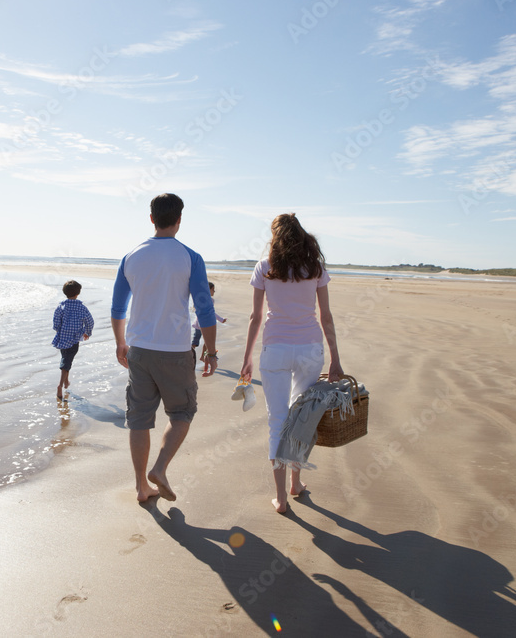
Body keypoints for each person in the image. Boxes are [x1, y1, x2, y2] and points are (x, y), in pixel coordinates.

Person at [111, 193, 218, 503]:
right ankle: (159, 468)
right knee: (183, 411)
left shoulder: (132, 255)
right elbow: (204, 309)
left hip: (139, 350)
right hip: (174, 351)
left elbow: (118, 307)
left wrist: (121, 342)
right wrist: (211, 351)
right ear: (179, 219)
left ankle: (141, 487)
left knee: (139, 419)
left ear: (151, 218)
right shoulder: (190, 257)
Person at [240, 213, 343, 514]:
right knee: (302, 417)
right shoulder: (314, 268)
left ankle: (281, 498)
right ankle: (296, 483)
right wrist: (336, 358)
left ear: (275, 237)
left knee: (277, 421)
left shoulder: (265, 268)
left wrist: (246, 358)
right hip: (310, 349)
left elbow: (256, 317)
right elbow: (326, 316)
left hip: (275, 350)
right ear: (301, 236)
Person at [52, 280, 94, 401]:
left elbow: (56, 321)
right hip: (74, 339)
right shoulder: (81, 307)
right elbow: (90, 321)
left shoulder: (61, 306)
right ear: (78, 293)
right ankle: (60, 385)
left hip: (63, 338)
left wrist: (58, 330)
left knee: (65, 358)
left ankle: (66, 382)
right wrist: (87, 332)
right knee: (67, 361)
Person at [191, 281, 227, 362]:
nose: (214, 291)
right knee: (195, 342)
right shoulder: (202, 299)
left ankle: (203, 356)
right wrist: (220, 320)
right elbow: (200, 312)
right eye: (213, 289)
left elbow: (212, 313)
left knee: (207, 341)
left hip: (206, 324)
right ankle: (189, 355)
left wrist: (221, 319)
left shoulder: (211, 300)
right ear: (208, 290)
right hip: (200, 324)